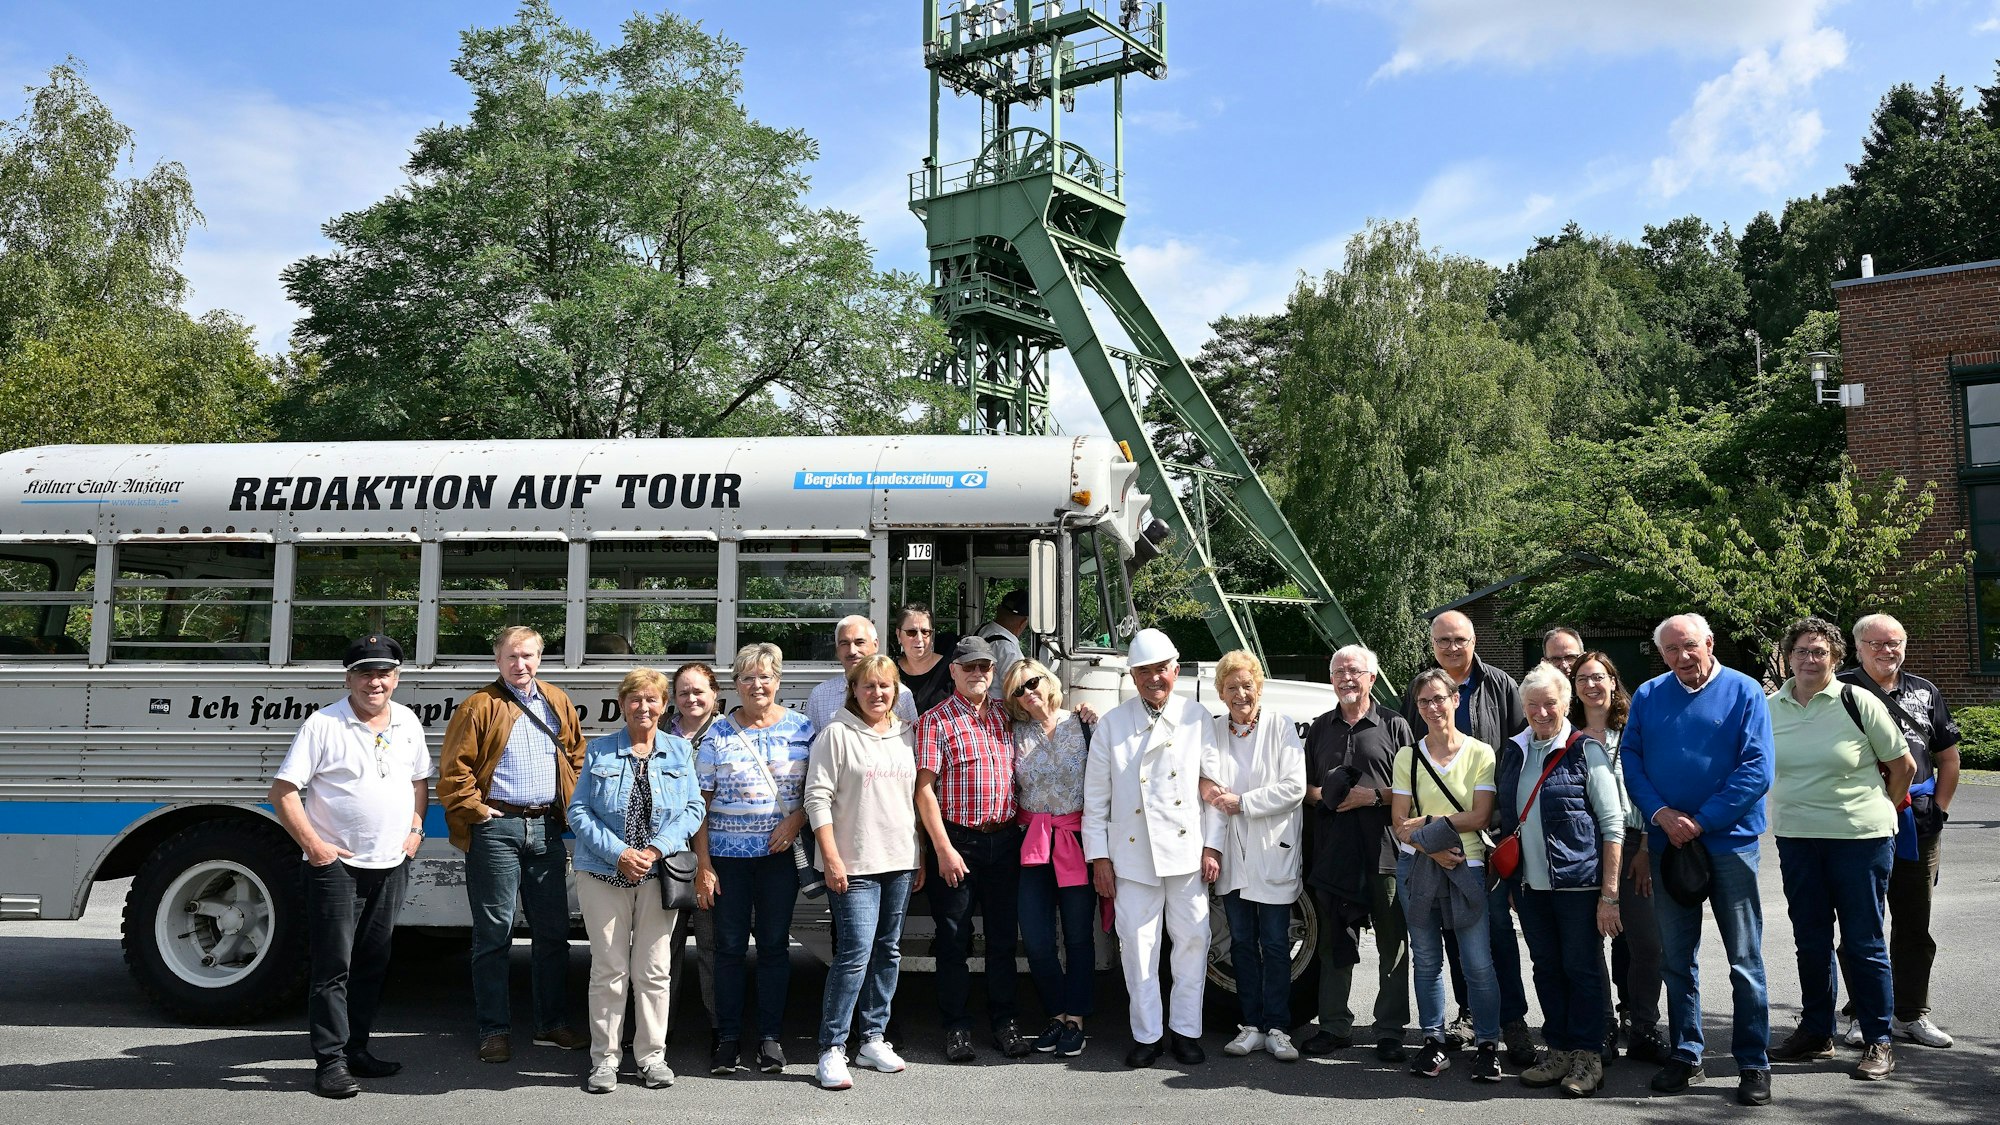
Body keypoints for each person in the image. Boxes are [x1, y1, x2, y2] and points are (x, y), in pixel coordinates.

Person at [267, 635, 432, 1099]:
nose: (374, 682)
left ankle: (357, 1049)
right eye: (364, 673)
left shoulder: (407, 722)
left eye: (383, 673)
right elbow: (282, 792)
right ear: (348, 679)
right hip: (337, 868)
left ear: (396, 678)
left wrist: (415, 831)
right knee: (333, 967)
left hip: (392, 863)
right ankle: (331, 1063)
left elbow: (420, 781)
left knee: (373, 963)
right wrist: (316, 848)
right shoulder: (323, 725)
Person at [1622, 613, 1776, 1106]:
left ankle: (1752, 1061)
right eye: (1671, 649)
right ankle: (1687, 1053)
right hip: (1668, 844)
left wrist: (1702, 821)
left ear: (1709, 643)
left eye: (1689, 645)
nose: (1682, 656)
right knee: (1676, 959)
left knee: (1744, 959)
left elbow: (1757, 768)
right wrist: (1661, 814)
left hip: (1729, 845)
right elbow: (1632, 761)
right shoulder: (1649, 695)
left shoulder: (1745, 691)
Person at [1765, 617, 1913, 1082]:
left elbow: (1903, 766)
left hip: (1860, 840)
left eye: (1820, 651)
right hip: (1797, 838)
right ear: (1788, 658)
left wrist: (1880, 811)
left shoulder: (1858, 700)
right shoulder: (1770, 708)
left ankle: (1878, 1038)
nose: (1810, 659)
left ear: (1835, 658)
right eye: (1801, 651)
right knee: (1810, 939)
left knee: (1863, 941)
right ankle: (1816, 1032)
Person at [436, 625, 589, 1064]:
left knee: (553, 933)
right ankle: (494, 1030)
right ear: (497, 660)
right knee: (494, 936)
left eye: (528, 656)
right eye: (511, 657)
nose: (520, 664)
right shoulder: (479, 706)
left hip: (546, 829)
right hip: (496, 830)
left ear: (539, 658)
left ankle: (551, 1024)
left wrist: (569, 804)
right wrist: (478, 811)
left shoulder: (556, 700)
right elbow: (454, 770)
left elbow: (576, 754)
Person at [1083, 627, 1223, 1069]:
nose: (1154, 678)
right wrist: (1099, 857)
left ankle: (1185, 1032)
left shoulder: (1196, 717)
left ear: (1175, 671)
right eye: (1144, 671)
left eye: (1161, 669)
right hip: (1131, 857)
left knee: (1193, 943)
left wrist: (1213, 846)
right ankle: (1147, 1035)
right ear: (1132, 676)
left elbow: (1214, 789)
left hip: (1187, 854)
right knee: (1138, 948)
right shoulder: (1113, 724)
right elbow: (1096, 799)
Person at [1400, 610, 1533, 1064]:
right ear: (1432, 645)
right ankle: (1469, 1015)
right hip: (1435, 843)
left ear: (1474, 641)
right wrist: (1427, 837)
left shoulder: (1500, 685)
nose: (1452, 647)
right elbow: (1410, 762)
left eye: (1459, 639)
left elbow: (1518, 755)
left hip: (1489, 836)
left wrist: (1508, 826)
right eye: (1443, 640)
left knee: (1494, 935)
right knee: (1452, 938)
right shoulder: (1420, 690)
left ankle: (1511, 1022)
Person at [567, 667, 707, 1093]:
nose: (643, 706)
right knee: (609, 969)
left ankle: (651, 1057)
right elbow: (578, 811)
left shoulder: (679, 751)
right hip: (602, 871)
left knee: (654, 969)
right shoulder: (600, 750)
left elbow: (694, 808)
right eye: (635, 698)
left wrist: (655, 850)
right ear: (622, 704)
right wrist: (620, 853)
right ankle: (605, 1061)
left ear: (664, 706)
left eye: (651, 699)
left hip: (655, 873)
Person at [1501, 662, 1625, 1097]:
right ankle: (1557, 1051)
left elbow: (1612, 824)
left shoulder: (1585, 750)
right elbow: (1508, 819)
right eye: (1532, 705)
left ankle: (1588, 1057)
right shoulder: (1515, 751)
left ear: (1566, 703)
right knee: (1547, 969)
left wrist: (1610, 894)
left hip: (1578, 887)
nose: (1541, 712)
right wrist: (1515, 881)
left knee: (1582, 969)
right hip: (1530, 889)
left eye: (1550, 703)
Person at [1837, 613, 1961, 1050]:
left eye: (1894, 642)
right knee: (1861, 924)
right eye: (1875, 643)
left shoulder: (1925, 691)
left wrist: (1940, 811)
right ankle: (1864, 1013)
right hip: (1856, 826)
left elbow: (1948, 758)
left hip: (1918, 826)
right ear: (1857, 647)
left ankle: (1911, 1014)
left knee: (1913, 923)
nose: (1886, 650)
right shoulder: (1838, 690)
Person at [695, 642, 815, 1077]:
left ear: (778, 681)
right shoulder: (717, 734)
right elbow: (700, 805)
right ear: (736, 684)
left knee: (773, 946)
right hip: (726, 859)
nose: (757, 684)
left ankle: (769, 1038)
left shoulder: (803, 729)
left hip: (778, 859)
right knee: (728, 948)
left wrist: (797, 819)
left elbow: (819, 790)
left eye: (765, 676)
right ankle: (727, 1038)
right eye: (747, 677)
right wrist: (704, 865)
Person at [804, 654, 924, 1090]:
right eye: (868, 685)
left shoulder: (906, 734)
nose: (877, 693)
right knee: (854, 953)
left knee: (887, 950)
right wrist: (831, 857)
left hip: (900, 860)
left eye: (885, 685)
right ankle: (831, 1047)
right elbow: (816, 798)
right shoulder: (835, 734)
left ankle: (873, 1038)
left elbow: (914, 800)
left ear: (896, 690)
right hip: (853, 864)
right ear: (853, 689)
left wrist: (920, 856)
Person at [914, 635, 1030, 1062]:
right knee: (953, 940)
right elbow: (924, 791)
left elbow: (1050, 713)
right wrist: (942, 849)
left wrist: (1084, 713)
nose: (978, 673)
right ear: (953, 671)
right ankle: (956, 1027)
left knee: (1002, 939)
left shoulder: (1008, 715)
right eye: (969, 667)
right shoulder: (935, 720)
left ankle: (1005, 1023)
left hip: (1005, 842)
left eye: (984, 666)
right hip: (958, 843)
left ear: (993, 671)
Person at [1303, 644, 1414, 1062]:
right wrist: (1327, 794)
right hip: (1334, 854)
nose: (1346, 679)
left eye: (1354, 671)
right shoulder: (1320, 728)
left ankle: (1389, 1030)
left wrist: (1373, 796)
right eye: (1338, 672)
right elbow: (1304, 789)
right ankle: (1334, 1025)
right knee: (1334, 942)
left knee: (1392, 942)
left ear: (1372, 678)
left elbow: (1414, 787)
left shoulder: (1395, 725)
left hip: (1385, 851)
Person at [1392, 666, 1503, 1084]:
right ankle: (1433, 1040)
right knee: (1426, 961)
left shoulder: (1480, 753)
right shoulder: (1408, 757)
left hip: (1467, 866)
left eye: (1439, 698)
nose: (1432, 707)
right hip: (1419, 865)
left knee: (1478, 963)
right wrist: (1432, 846)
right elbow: (1399, 824)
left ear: (1455, 700)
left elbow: (1481, 816)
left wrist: (1428, 824)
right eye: (1424, 701)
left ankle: (1488, 1044)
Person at [1203, 650, 1307, 1063]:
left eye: (1247, 685)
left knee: (1276, 945)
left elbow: (1294, 788)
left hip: (1271, 852)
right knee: (1242, 943)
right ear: (1221, 692)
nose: (1240, 694)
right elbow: (1202, 776)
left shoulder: (1280, 726)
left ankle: (1278, 1028)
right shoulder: (1214, 729)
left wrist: (1243, 802)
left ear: (1259, 688)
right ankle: (1251, 1026)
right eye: (1231, 687)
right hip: (1233, 855)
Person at [1571, 651, 1668, 1065]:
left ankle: (1643, 1025)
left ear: (1613, 681)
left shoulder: (1634, 730)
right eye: (1582, 679)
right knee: (1588, 945)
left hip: (1632, 845)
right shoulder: (1567, 735)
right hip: (1582, 848)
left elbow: (1652, 787)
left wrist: (1645, 847)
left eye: (1599, 677)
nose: (1591, 685)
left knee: (1647, 943)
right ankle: (1603, 1026)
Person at [1006, 657, 1097, 1059]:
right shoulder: (1013, 734)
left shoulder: (1085, 724)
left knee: (1078, 936)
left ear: (1049, 682)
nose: (1028, 693)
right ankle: (1056, 1013)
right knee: (1038, 939)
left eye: (1033, 683)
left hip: (1075, 840)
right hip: (1032, 844)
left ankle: (1076, 1019)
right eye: (1018, 690)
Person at [670, 664, 722, 1048]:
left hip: (713, 852)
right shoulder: (659, 732)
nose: (691, 698)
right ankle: (658, 1030)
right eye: (684, 692)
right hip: (666, 852)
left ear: (715, 694)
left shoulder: (728, 733)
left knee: (711, 944)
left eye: (699, 691)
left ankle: (720, 1028)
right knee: (662, 948)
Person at [805, 615, 918, 732]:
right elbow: (809, 741)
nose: (852, 651)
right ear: (837, 649)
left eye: (859, 642)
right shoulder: (820, 696)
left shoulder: (901, 695)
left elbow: (910, 739)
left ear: (875, 645)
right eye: (844, 643)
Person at [895, 603, 956, 715]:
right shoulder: (889, 672)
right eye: (911, 632)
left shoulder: (952, 670)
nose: (919, 639)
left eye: (925, 632)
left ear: (932, 635)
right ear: (899, 635)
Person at [976, 588, 1030, 683]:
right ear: (1023, 622)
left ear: (998, 609)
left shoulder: (978, 629)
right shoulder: (1009, 651)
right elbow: (1017, 688)